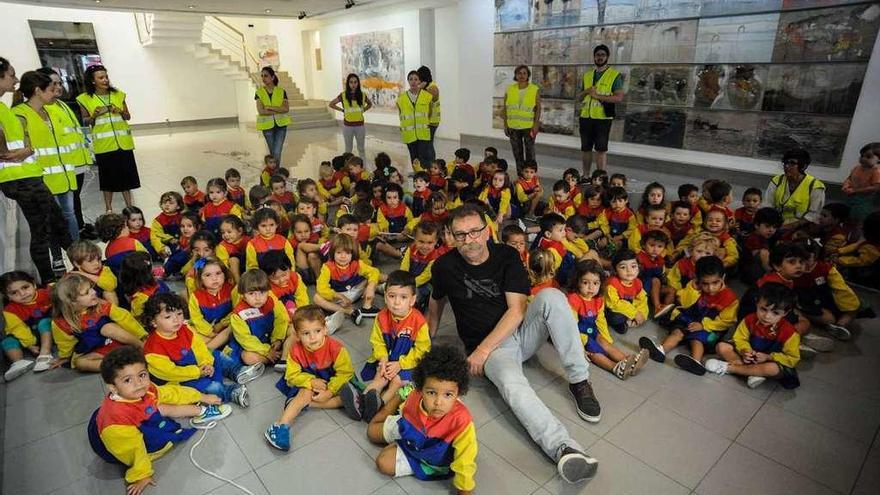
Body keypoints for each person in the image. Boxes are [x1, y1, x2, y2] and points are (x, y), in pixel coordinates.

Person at [427, 203, 600, 484]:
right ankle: (564, 448)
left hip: (518, 333)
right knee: (513, 386)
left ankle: (579, 380)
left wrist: (479, 353)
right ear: (452, 236)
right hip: (495, 349)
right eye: (460, 234)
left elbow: (518, 310)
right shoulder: (444, 266)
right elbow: (436, 303)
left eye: (474, 232)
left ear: (487, 231)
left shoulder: (506, 256)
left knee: (554, 298)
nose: (468, 240)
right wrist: (424, 343)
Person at [87, 346, 231, 495]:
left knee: (161, 404)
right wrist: (142, 475)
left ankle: (203, 411)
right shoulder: (117, 421)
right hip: (112, 443)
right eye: (128, 380)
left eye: (142, 375)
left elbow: (172, 393)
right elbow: (131, 450)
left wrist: (202, 397)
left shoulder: (145, 389)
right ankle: (200, 412)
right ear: (113, 388)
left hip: (131, 419)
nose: (138, 383)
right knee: (157, 433)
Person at [367, 345, 477, 493]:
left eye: (448, 395)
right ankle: (400, 392)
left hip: (432, 460)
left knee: (383, 463)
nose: (438, 402)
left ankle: (396, 396)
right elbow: (405, 413)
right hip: (411, 431)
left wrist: (464, 491)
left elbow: (465, 462)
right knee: (372, 432)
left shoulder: (462, 422)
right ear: (421, 388)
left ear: (458, 393)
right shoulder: (415, 397)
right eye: (431, 392)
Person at [141, 292, 257, 407]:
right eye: (168, 317)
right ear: (154, 322)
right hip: (182, 378)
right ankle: (231, 392)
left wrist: (206, 363)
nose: (176, 320)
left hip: (200, 366)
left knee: (216, 355)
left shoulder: (185, 328)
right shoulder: (153, 349)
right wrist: (197, 372)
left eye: (179, 314)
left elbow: (200, 347)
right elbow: (170, 373)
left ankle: (238, 371)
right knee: (211, 387)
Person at [266, 305, 355, 452]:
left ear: (325, 329)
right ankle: (280, 426)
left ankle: (304, 404)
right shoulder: (295, 351)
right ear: (297, 334)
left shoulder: (337, 349)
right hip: (306, 382)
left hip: (331, 380)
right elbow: (292, 376)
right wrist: (310, 382)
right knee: (306, 392)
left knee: (344, 396)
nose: (313, 337)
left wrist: (330, 391)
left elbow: (345, 373)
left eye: (318, 331)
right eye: (306, 333)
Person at [640, 256, 739, 375]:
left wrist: (703, 325)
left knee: (697, 339)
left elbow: (725, 321)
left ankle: (695, 361)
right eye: (705, 284)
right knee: (677, 332)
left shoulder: (730, 298)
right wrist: (693, 289)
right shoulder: (694, 287)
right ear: (698, 279)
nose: (710, 288)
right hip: (689, 319)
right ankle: (661, 350)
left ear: (723, 277)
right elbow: (684, 302)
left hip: (710, 328)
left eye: (715, 283)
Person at [704, 283, 802, 389]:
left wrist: (769, 357)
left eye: (775, 313)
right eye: (763, 309)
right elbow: (739, 338)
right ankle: (752, 373)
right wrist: (745, 350)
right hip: (748, 356)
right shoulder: (749, 319)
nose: (767, 316)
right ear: (757, 303)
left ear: (785, 313)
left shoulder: (790, 333)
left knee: (772, 369)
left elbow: (792, 358)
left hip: (769, 361)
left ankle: (730, 368)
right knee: (721, 347)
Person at [76, 64, 140, 213]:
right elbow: (85, 121)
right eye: (101, 77)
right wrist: (95, 115)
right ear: (92, 81)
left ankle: (129, 206)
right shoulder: (84, 99)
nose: (105, 80)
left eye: (106, 77)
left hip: (123, 144)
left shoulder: (118, 94)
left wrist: (119, 111)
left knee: (126, 178)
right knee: (108, 180)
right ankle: (109, 208)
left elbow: (127, 116)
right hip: (104, 146)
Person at [51, 273, 146, 372]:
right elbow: (64, 342)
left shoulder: (102, 306)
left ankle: (143, 347)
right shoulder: (61, 322)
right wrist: (65, 357)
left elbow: (125, 319)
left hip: (118, 341)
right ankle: (117, 366)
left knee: (108, 328)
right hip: (98, 351)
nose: (94, 292)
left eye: (91, 288)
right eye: (87, 292)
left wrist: (141, 335)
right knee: (79, 362)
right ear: (72, 302)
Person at [39, 67, 93, 239]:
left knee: (75, 199)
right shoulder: (45, 109)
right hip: (64, 164)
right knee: (67, 204)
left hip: (75, 162)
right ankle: (73, 232)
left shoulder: (61, 104)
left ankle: (80, 226)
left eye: (60, 82)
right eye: (54, 83)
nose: (59, 87)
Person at [576, 45, 625, 176]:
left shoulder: (614, 75)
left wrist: (597, 96)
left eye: (602, 55)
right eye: (597, 55)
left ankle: (600, 177)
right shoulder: (587, 75)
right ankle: (586, 175)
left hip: (603, 118)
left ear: (607, 57)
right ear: (594, 57)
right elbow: (579, 98)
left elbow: (619, 97)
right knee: (585, 148)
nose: (599, 57)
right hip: (586, 117)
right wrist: (587, 91)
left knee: (601, 149)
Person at [1, 270, 54, 380]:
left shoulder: (46, 294)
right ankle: (18, 362)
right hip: (28, 336)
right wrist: (29, 344)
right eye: (14, 293)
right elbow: (18, 329)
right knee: (7, 341)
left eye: (25, 287)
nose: (22, 294)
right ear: (7, 296)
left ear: (34, 284)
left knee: (44, 322)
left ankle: (45, 353)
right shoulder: (10, 310)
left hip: (49, 331)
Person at [764, 147, 826, 230]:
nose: (787, 166)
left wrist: (789, 226)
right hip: (776, 224)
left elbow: (814, 215)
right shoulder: (777, 181)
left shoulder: (815, 186)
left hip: (802, 227)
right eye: (785, 163)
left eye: (792, 163)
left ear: (803, 166)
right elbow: (767, 205)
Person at [501, 65, 542, 175]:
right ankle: (521, 175)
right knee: (517, 153)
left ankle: (531, 175)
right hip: (513, 126)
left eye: (524, 73)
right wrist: (505, 125)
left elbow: (538, 107)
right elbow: (505, 107)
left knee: (530, 153)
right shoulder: (509, 89)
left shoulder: (534, 89)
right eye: (519, 73)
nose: (522, 75)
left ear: (528, 75)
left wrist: (536, 124)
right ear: (516, 75)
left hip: (528, 126)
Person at [329, 73, 372, 157]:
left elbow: (370, 104)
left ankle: (362, 167)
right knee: (348, 149)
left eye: (355, 82)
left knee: (361, 149)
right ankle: (348, 168)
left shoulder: (362, 95)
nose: (353, 84)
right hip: (347, 126)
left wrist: (363, 110)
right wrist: (342, 110)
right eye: (351, 82)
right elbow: (331, 104)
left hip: (360, 126)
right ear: (348, 84)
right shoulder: (343, 95)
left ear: (358, 83)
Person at [255, 66, 290, 166]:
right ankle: (275, 173)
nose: (263, 78)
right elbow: (261, 111)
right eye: (262, 76)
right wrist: (278, 109)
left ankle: (275, 173)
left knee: (277, 152)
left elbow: (286, 109)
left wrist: (270, 107)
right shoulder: (259, 92)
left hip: (281, 125)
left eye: (266, 76)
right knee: (273, 152)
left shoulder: (281, 91)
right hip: (267, 127)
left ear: (273, 77)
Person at [397, 70, 433, 167]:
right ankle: (417, 179)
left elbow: (430, 112)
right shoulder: (402, 98)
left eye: (416, 79)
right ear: (408, 81)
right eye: (410, 79)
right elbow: (401, 114)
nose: (413, 81)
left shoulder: (427, 96)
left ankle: (424, 178)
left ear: (419, 82)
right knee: (414, 159)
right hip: (409, 134)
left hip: (423, 133)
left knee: (423, 158)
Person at [418, 65, 440, 165]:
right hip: (426, 120)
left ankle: (431, 165)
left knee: (428, 144)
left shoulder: (432, 87)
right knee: (426, 144)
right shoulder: (427, 87)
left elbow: (433, 97)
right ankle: (427, 166)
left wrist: (420, 89)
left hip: (432, 121)